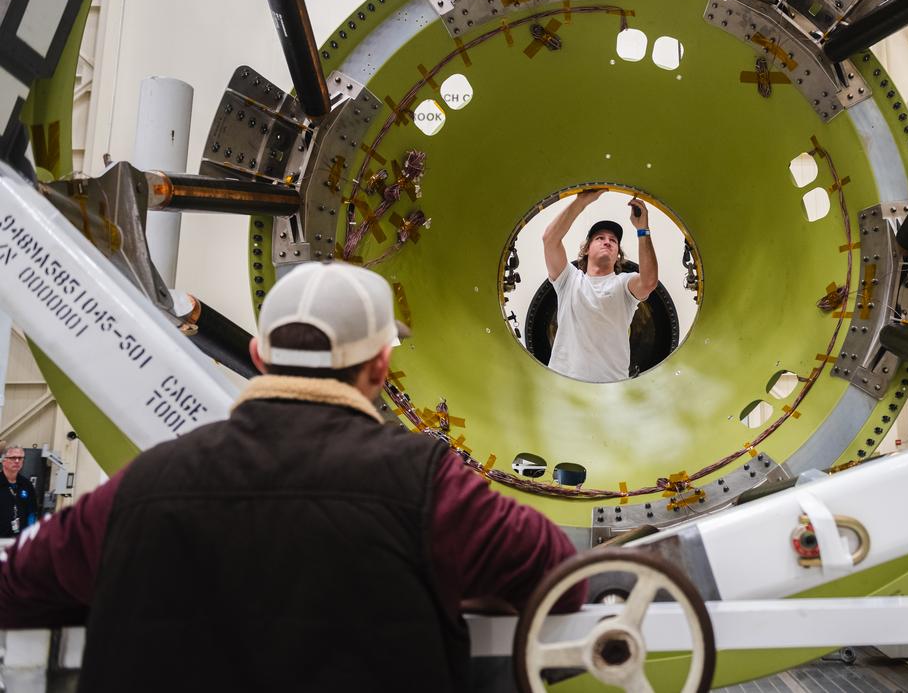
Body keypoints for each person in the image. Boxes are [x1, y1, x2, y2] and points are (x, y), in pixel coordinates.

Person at [0, 262, 585, 691]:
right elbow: (562, 580)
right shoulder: (429, 485)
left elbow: (15, 588)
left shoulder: (145, 485)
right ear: (381, 364)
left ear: (257, 355)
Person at [541, 190, 658, 382]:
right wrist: (582, 201)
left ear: (618, 254)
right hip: (563, 384)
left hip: (611, 389)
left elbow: (649, 282)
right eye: (600, 238)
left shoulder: (623, 285)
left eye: (613, 241)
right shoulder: (568, 280)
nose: (607, 242)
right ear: (587, 249)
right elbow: (549, 239)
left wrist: (642, 229)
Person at [1, 446, 37, 539]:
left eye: (20, 458)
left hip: (19, 539)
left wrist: (30, 535)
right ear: (3, 460)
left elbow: (32, 512)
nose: (17, 461)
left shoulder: (27, 485)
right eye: (13, 458)